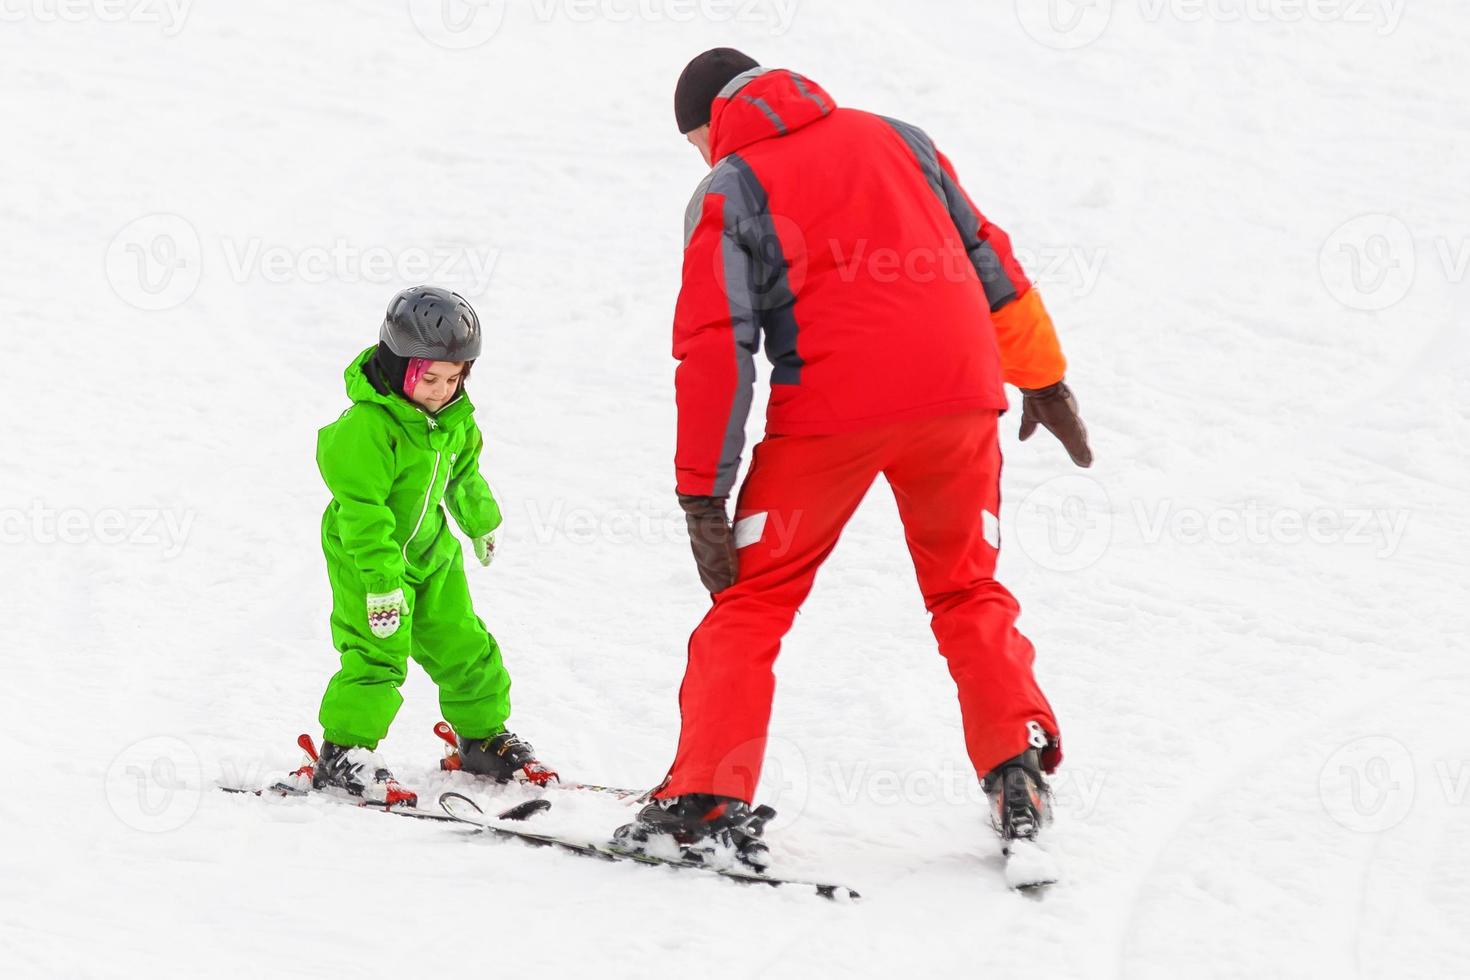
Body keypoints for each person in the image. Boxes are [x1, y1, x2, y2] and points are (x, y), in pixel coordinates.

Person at [616, 49, 1093, 865]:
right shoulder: (900, 139)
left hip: (829, 421)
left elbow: (716, 348)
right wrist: (1044, 379)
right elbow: (990, 259)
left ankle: (704, 794)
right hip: (960, 400)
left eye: (696, 140)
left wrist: (703, 494)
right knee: (967, 585)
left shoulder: (730, 186)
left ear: (707, 122)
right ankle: (1017, 768)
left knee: (753, 598)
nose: (702, 155)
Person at [311, 285, 555, 805]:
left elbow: (464, 475)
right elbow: (363, 512)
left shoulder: (452, 422)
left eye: (453, 378)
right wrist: (380, 582)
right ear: (398, 366)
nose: (441, 390)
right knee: (377, 654)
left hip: (431, 551)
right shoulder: (365, 430)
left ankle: (482, 737)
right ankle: (345, 751)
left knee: (463, 642)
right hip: (369, 556)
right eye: (430, 378)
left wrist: (481, 521)